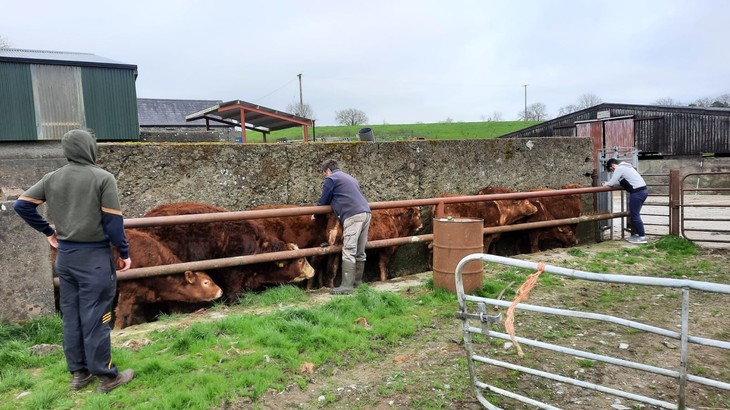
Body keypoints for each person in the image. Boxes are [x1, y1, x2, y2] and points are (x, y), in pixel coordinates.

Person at [13, 129, 135, 393]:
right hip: (95, 259)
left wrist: (49, 232)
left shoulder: (52, 178)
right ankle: (107, 376)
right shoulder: (102, 178)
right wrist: (124, 253)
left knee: (72, 316)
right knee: (98, 317)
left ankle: (79, 375)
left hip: (66, 259)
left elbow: (21, 205)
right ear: (90, 148)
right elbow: (114, 223)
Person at [316, 159, 371, 295]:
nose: (325, 177)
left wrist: (315, 214)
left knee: (349, 250)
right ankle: (358, 283)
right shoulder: (350, 177)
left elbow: (324, 200)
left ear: (327, 171)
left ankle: (346, 286)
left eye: (324, 174)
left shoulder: (331, 179)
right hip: (366, 213)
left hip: (352, 215)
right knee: (360, 250)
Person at [602, 158, 649, 244]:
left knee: (635, 214)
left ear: (612, 166)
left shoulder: (619, 168)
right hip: (642, 191)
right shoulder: (627, 167)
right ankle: (638, 234)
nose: (613, 172)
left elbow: (612, 183)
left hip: (636, 192)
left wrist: (606, 184)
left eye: (611, 170)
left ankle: (642, 236)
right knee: (635, 214)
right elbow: (622, 182)